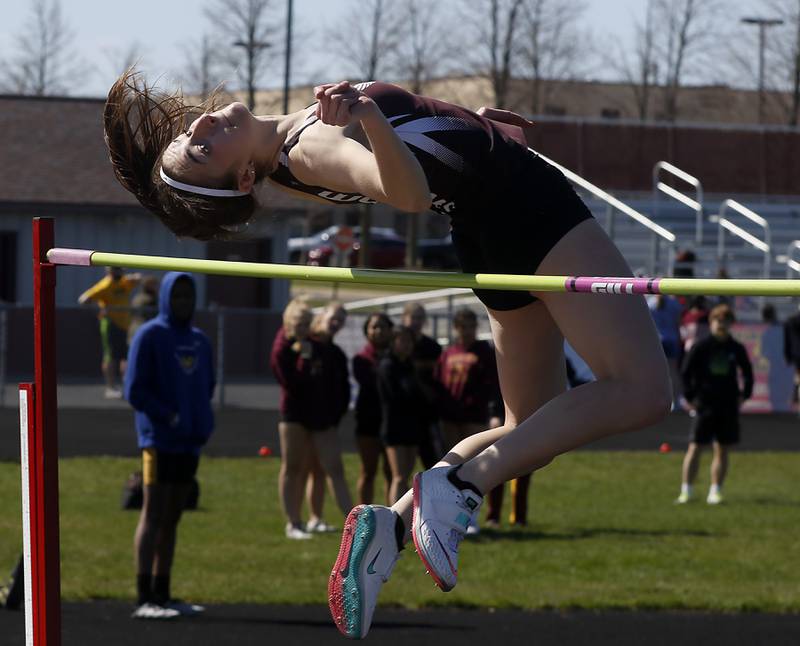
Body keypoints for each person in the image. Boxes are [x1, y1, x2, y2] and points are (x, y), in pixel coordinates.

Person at [104, 72, 671, 639]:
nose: (201, 123)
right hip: (527, 210)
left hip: (489, 224)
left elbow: (421, 156)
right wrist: (374, 117)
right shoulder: (309, 146)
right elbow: (409, 194)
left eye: (189, 132)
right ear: (244, 176)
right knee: (642, 391)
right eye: (202, 149)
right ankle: (461, 489)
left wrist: (474, 127)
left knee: (527, 429)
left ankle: (389, 527)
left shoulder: (293, 146)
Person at [124, 272, 213, 619]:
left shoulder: (200, 340)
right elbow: (135, 390)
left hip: (189, 443)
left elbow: (207, 386)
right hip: (157, 441)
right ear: (164, 298)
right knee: (153, 512)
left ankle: (164, 592)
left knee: (173, 517)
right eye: (176, 297)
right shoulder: (149, 336)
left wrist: (202, 423)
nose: (183, 303)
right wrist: (168, 416)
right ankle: (144, 596)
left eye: (188, 297)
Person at [270, 297, 353, 540]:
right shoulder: (285, 346)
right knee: (293, 467)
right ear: (289, 322)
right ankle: (293, 523)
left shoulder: (315, 345)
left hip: (320, 416)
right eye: (299, 322)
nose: (303, 328)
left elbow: (330, 383)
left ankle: (354, 522)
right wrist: (304, 359)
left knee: (333, 467)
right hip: (294, 414)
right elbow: (291, 382)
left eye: (306, 323)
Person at [675, 304, 753, 506]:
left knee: (722, 448)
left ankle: (715, 491)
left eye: (726, 321)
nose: (722, 325)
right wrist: (691, 397)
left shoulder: (736, 348)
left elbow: (748, 373)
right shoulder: (701, 346)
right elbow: (685, 372)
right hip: (705, 404)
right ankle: (687, 491)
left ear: (730, 324)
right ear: (711, 322)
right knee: (695, 447)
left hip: (727, 405)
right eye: (718, 320)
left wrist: (745, 395)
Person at [435, 308, 497, 534]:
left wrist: (492, 410)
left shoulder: (483, 351)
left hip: (475, 415)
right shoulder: (449, 352)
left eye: (471, 326)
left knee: (475, 467)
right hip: (450, 416)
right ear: (456, 328)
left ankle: (471, 517)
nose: (468, 331)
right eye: (463, 326)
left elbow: (491, 383)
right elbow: (439, 381)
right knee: (452, 467)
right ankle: (449, 514)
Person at [304, 302, 351, 533]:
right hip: (305, 419)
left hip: (326, 421)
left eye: (341, 320)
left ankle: (346, 520)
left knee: (329, 469)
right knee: (319, 469)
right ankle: (344, 519)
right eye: (334, 317)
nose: (337, 323)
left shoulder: (336, 354)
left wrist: (335, 415)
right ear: (322, 315)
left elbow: (342, 390)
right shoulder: (307, 345)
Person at [377, 326, 429, 504]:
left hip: (412, 426)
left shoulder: (410, 366)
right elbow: (394, 397)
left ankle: (403, 517)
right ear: (393, 342)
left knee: (406, 476)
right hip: (394, 427)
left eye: (409, 341)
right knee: (398, 476)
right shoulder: (387, 365)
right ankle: (394, 517)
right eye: (402, 340)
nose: (406, 345)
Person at [79, 266, 141, 398]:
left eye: (121, 269)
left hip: (125, 324)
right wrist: (102, 308)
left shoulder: (124, 281)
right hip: (110, 323)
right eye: (117, 269)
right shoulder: (105, 285)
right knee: (111, 357)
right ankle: (110, 387)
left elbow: (138, 279)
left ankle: (126, 386)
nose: (120, 272)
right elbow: (84, 299)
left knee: (125, 356)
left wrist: (133, 277)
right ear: (110, 271)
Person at [352, 312, 394, 505]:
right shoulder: (361, 359)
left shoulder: (398, 356)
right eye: (374, 327)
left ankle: (391, 514)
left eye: (382, 327)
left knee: (391, 472)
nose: (378, 331)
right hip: (368, 420)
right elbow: (372, 383)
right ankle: (362, 516)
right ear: (367, 332)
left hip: (393, 420)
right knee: (368, 471)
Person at [401, 302, 444, 469]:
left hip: (428, 412)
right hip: (404, 412)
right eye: (413, 317)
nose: (416, 322)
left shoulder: (432, 347)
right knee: (400, 470)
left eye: (420, 318)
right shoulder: (397, 346)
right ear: (404, 319)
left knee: (435, 462)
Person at [647, 294, 684, 409]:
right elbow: (678, 323)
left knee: (655, 372)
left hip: (657, 340)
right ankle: (676, 401)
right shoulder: (674, 303)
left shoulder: (650, 302)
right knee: (673, 372)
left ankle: (655, 400)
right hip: (671, 340)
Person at [127, 275, 160, 345]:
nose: (156, 287)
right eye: (154, 285)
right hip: (143, 332)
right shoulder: (148, 299)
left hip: (135, 331)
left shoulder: (137, 297)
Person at [784, 305, 800, 409]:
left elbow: (787, 341)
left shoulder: (790, 321)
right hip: (797, 354)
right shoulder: (790, 321)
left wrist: (788, 356)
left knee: (797, 375)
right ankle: (795, 395)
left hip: (796, 354)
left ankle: (795, 395)